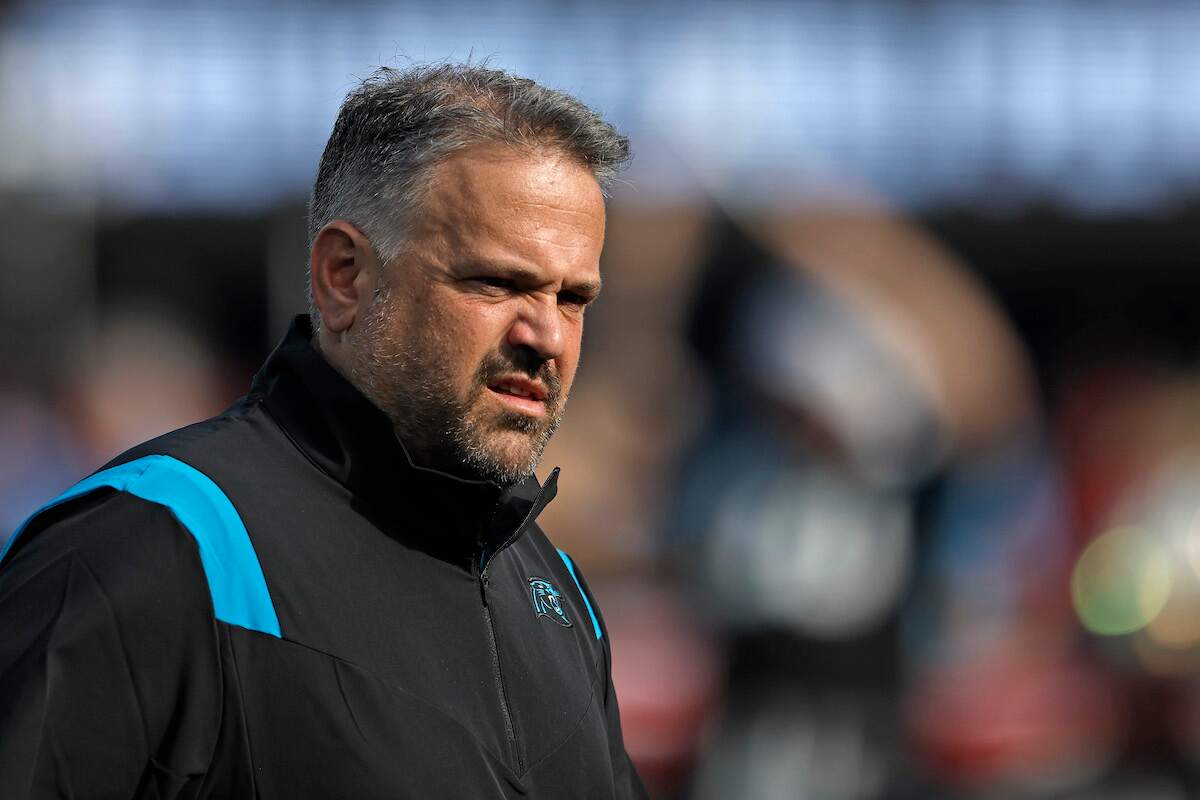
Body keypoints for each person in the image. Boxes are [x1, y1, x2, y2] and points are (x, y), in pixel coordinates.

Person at [0, 63, 645, 799]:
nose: (545, 336)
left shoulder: (558, 598)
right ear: (344, 276)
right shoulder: (155, 547)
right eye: (496, 283)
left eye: (573, 298)